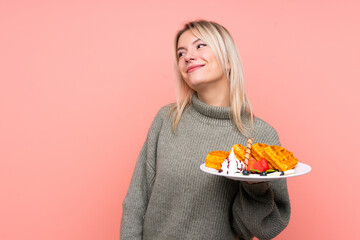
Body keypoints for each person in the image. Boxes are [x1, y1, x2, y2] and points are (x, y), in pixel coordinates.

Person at [121, 20, 290, 240]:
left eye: (200, 46)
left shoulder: (259, 136)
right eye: (181, 53)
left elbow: (265, 228)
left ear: (228, 60)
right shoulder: (167, 120)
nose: (188, 57)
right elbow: (136, 201)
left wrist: (254, 186)